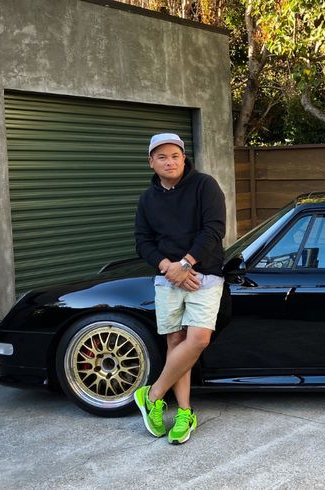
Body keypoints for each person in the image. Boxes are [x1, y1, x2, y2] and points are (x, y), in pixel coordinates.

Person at [133, 133, 226, 444]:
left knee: (197, 339)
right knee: (176, 341)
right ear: (151, 162)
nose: (169, 161)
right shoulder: (147, 199)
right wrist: (168, 268)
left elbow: (214, 229)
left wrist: (184, 265)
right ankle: (184, 413)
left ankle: (153, 394)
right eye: (162, 157)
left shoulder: (204, 185)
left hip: (205, 275)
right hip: (167, 277)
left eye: (175, 155)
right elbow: (142, 242)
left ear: (184, 157)